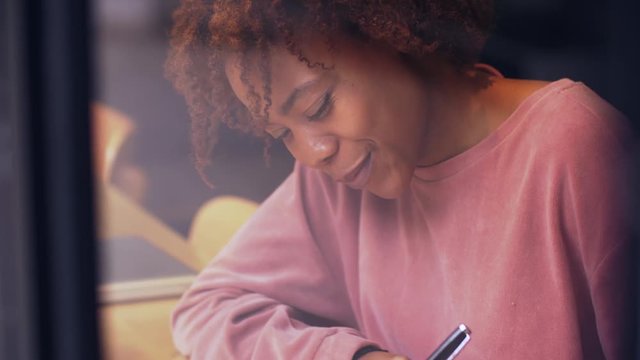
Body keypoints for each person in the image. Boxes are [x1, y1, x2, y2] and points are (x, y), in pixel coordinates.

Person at [165, 0, 636, 359]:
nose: (313, 151)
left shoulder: (575, 149)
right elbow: (206, 308)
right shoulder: (336, 184)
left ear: (395, 38)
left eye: (318, 108)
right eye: (283, 133)